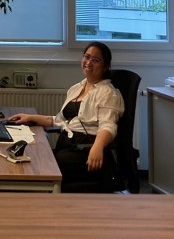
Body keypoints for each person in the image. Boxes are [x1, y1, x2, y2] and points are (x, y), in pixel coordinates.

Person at [8, 41, 124, 192]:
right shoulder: (76, 88)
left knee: (41, 162)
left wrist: (98, 147)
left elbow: (108, 126)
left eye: (95, 60)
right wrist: (31, 117)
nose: (89, 62)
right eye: (86, 57)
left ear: (105, 66)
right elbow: (60, 121)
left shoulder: (108, 93)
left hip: (87, 149)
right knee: (34, 154)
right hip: (68, 146)